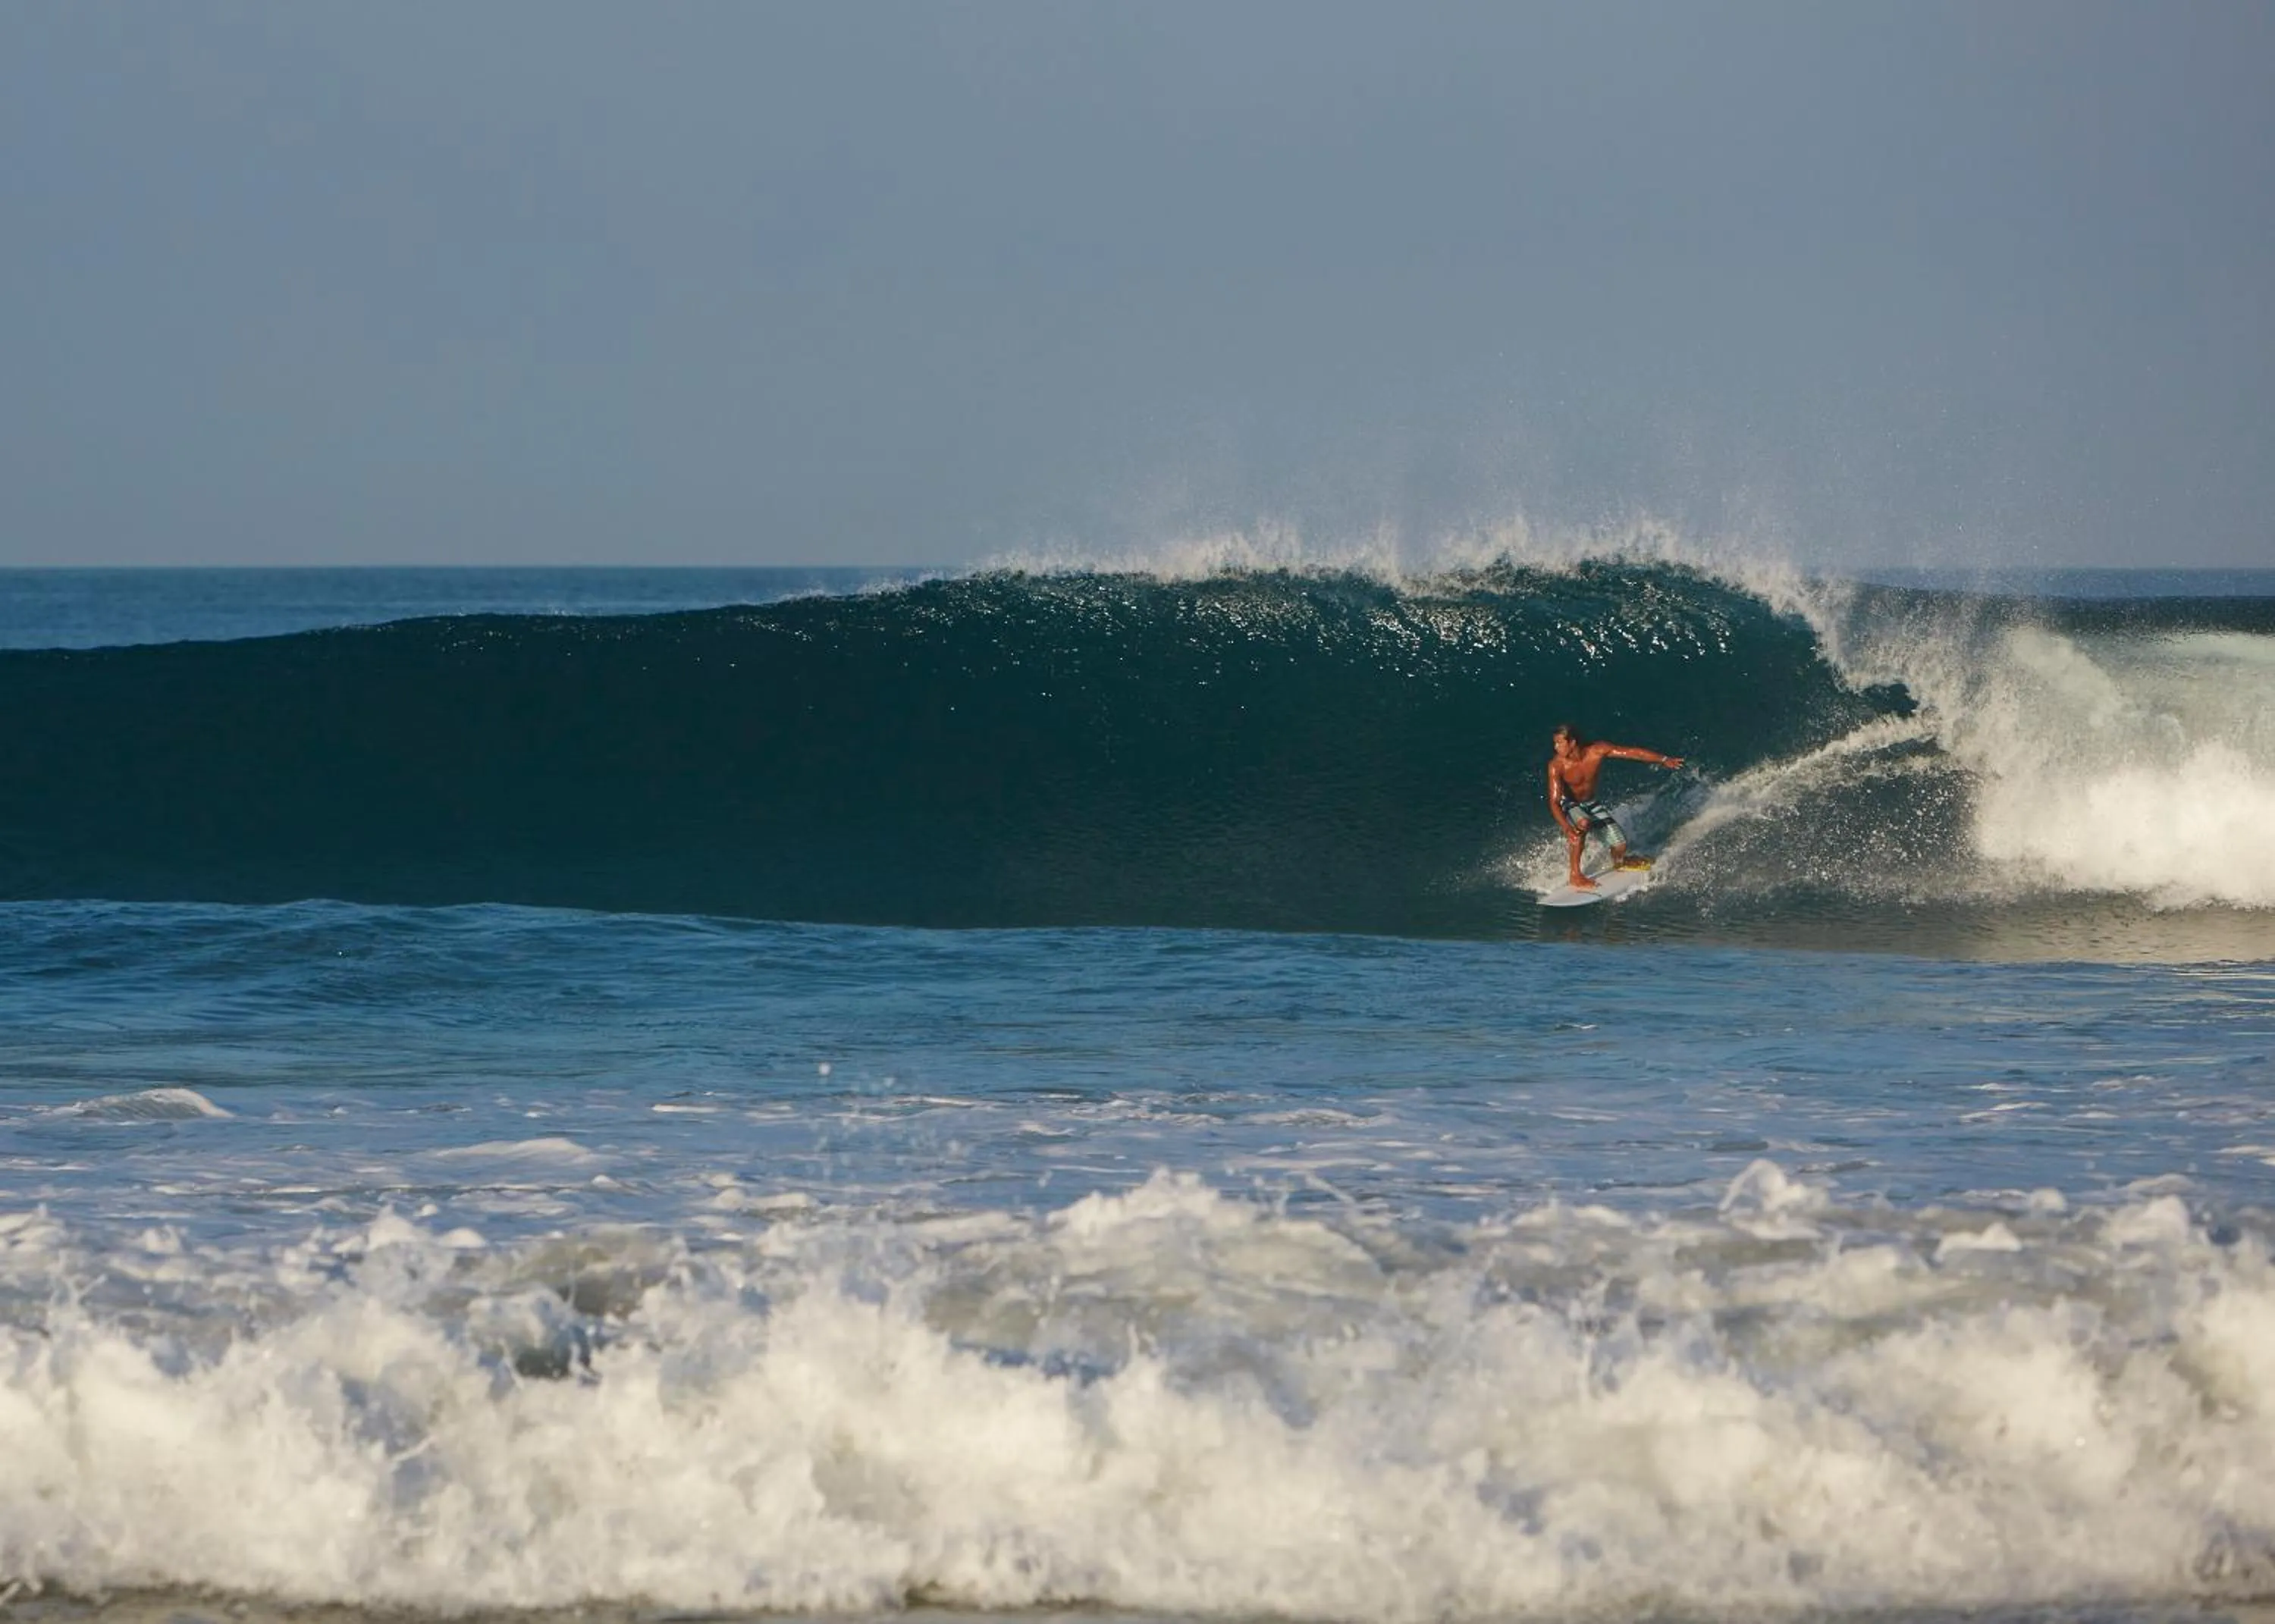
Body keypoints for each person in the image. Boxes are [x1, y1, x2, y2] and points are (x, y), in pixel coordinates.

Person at [1547, 723, 1685, 889]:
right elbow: (1554, 802)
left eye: (1560, 743)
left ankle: (1619, 862)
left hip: (1591, 803)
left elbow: (1632, 753)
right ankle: (1575, 875)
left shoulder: (1597, 750)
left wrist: (1663, 759)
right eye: (1555, 743)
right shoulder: (1557, 765)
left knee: (1620, 845)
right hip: (1569, 803)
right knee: (1583, 822)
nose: (1556, 748)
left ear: (1573, 742)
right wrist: (1567, 828)